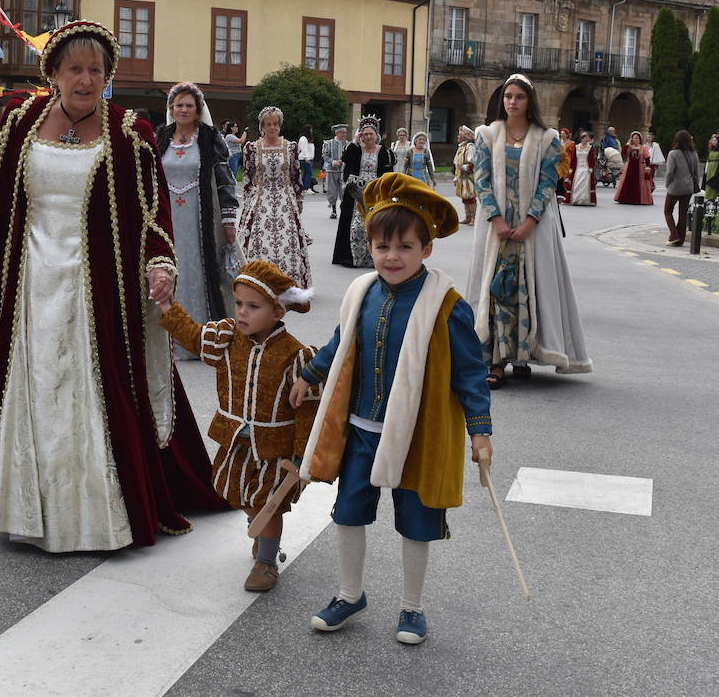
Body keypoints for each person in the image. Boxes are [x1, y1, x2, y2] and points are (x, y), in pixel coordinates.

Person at [0, 20, 224, 552]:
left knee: (92, 389)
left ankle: (98, 512)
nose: (85, 79)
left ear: (107, 76)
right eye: (74, 69)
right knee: (38, 388)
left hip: (98, 290)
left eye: (96, 70)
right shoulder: (20, 122)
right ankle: (31, 508)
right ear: (54, 74)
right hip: (30, 285)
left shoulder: (129, 132)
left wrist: (160, 263)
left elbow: (154, 214)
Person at [290, 174, 492, 643]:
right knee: (348, 512)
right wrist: (310, 374)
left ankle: (412, 607)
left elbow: (470, 373)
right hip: (360, 428)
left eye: (404, 246)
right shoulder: (362, 292)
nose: (391, 257)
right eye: (382, 246)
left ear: (427, 249)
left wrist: (480, 431)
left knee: (417, 521)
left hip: (417, 435)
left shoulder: (446, 306)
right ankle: (349, 593)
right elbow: (343, 344)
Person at [158, 259, 316, 592]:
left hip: (275, 449)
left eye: (253, 306)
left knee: (267, 504)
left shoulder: (295, 355)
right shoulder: (227, 337)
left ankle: (266, 562)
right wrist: (167, 305)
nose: (242, 312)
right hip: (236, 442)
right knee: (237, 494)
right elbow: (193, 336)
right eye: (239, 303)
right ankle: (261, 532)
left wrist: (302, 457)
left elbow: (306, 410)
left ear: (277, 312)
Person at [465, 73, 591, 388]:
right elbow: (481, 180)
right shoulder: (487, 135)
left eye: (519, 97)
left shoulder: (546, 139)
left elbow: (548, 183)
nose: (513, 102)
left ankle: (522, 355)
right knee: (495, 289)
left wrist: (529, 222)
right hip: (496, 229)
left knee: (528, 288)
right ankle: (494, 361)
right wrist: (496, 219)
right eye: (508, 96)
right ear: (501, 100)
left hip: (530, 228)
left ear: (529, 101)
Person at [156, 82, 239, 360]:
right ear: (171, 109)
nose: (183, 109)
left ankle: (203, 335)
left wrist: (229, 220)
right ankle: (170, 336)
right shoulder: (162, 138)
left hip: (201, 218)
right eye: (178, 105)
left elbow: (226, 181)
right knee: (169, 269)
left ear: (198, 109)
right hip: (169, 219)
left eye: (189, 105)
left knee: (200, 270)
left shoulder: (208, 138)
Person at [239, 106, 312, 289]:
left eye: (275, 124)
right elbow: (248, 176)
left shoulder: (291, 147)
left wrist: (299, 198)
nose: (272, 127)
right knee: (257, 240)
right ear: (262, 126)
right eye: (268, 124)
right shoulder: (252, 148)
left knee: (289, 240)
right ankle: (258, 281)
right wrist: (248, 202)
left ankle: (289, 281)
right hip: (260, 198)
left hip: (285, 198)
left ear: (280, 125)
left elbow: (296, 174)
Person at [332, 116, 393, 268]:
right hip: (356, 193)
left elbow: (388, 174)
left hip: (375, 193)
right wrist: (354, 140)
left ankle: (375, 259)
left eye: (370, 134)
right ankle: (353, 258)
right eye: (364, 134)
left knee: (374, 225)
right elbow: (345, 159)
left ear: (376, 134)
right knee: (356, 226)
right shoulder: (356, 149)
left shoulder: (384, 152)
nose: (367, 137)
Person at [662, 130, 700, 247]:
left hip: (675, 187)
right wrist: (695, 184)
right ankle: (680, 239)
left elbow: (670, 172)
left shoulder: (673, 153)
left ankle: (674, 235)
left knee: (668, 211)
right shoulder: (694, 153)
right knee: (683, 214)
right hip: (688, 188)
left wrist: (667, 184)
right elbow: (696, 173)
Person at [614, 131, 653, 205]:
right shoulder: (629, 147)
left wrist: (647, 167)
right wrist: (628, 144)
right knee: (628, 182)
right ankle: (626, 198)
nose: (635, 139)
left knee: (639, 183)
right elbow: (623, 152)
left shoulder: (643, 148)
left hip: (640, 167)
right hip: (629, 167)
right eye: (633, 138)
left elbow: (647, 158)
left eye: (636, 138)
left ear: (639, 139)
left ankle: (638, 199)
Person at [322, 124, 350, 219]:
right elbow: (325, 156)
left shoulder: (348, 144)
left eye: (345, 132)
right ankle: (333, 211)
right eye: (342, 132)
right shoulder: (328, 143)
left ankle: (344, 210)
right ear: (337, 133)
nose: (344, 134)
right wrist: (333, 162)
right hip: (331, 170)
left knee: (344, 191)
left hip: (344, 171)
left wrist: (344, 162)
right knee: (332, 191)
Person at [452, 125, 478, 225]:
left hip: (468, 176)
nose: (458, 137)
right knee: (464, 196)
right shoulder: (461, 147)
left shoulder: (469, 147)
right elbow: (457, 163)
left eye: (460, 135)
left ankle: (474, 218)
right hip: (461, 176)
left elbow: (473, 162)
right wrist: (456, 176)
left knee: (470, 196)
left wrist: (466, 167)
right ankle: (468, 216)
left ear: (465, 137)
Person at [566, 131, 597, 206]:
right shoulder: (576, 147)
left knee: (585, 184)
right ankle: (576, 199)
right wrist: (571, 168)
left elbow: (592, 159)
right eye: (585, 138)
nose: (586, 139)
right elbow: (573, 158)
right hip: (577, 168)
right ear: (582, 138)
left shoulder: (590, 148)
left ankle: (584, 200)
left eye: (587, 138)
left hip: (586, 168)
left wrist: (591, 167)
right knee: (576, 183)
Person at [703, 135, 719, 203]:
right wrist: (706, 169)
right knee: (709, 182)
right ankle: (709, 196)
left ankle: (714, 196)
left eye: (715, 140)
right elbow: (708, 160)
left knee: (715, 181)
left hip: (717, 168)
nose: (713, 142)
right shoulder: (711, 150)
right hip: (710, 168)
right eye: (712, 140)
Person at [555, 127, 574, 203]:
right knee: (560, 178)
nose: (562, 135)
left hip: (567, 161)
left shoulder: (571, 143)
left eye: (563, 133)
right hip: (560, 162)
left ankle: (566, 194)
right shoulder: (559, 142)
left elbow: (572, 154)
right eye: (561, 133)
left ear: (567, 135)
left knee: (567, 177)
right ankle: (560, 193)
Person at [297, 126, 316, 192]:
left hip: (308, 158)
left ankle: (304, 187)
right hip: (304, 159)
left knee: (306, 173)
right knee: (309, 173)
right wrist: (306, 158)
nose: (311, 131)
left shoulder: (308, 138)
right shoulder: (303, 138)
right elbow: (303, 148)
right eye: (310, 129)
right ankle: (307, 188)